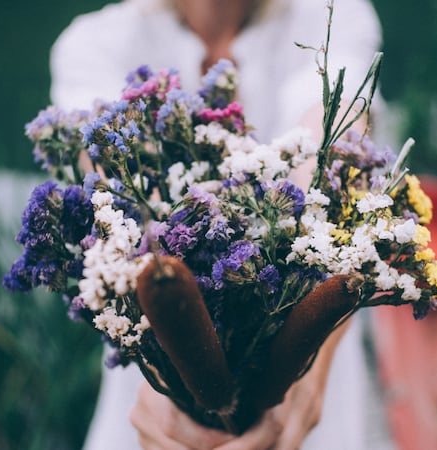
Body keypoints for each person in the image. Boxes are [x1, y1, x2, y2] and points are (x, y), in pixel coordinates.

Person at [50, 0, 383, 448]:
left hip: (305, 356)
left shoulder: (332, 13)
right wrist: (166, 382)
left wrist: (305, 374)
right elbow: (117, 217)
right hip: (155, 383)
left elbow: (335, 158)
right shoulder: (95, 44)